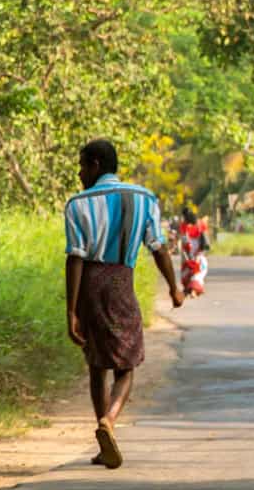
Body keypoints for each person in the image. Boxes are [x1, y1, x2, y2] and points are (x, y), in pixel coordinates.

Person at [63, 139, 185, 469]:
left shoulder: (77, 204)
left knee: (96, 363)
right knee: (127, 363)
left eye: (82, 165)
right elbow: (157, 247)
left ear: (96, 165)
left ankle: (104, 438)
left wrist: (71, 310)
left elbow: (75, 258)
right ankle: (110, 420)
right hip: (121, 281)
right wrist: (174, 288)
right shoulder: (144, 198)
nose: (79, 173)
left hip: (89, 284)